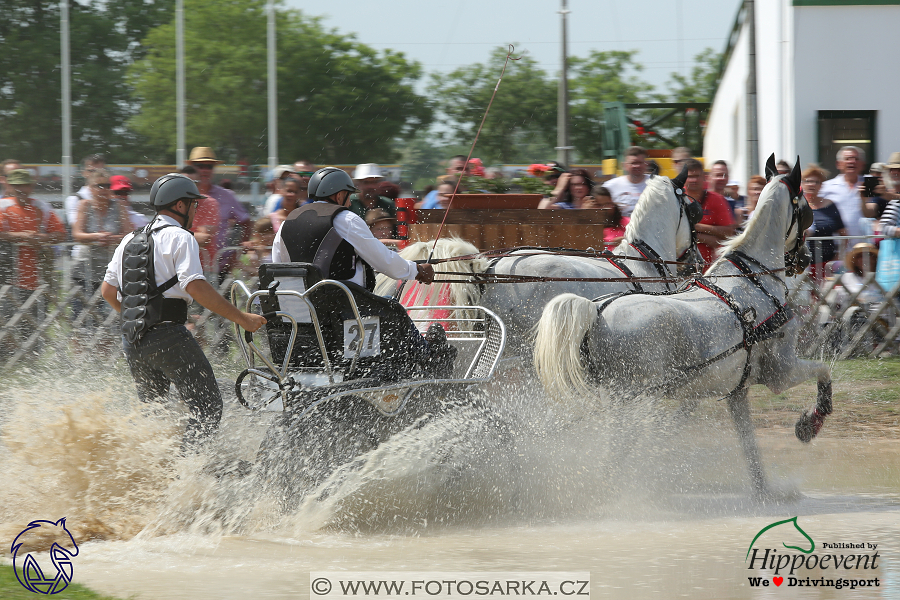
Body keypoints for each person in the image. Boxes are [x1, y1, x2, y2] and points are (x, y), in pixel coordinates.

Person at [101, 173, 266, 450]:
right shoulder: (181, 237)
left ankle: (153, 471)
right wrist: (243, 318)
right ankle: (187, 473)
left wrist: (140, 320)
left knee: (154, 414)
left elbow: (108, 291)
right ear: (180, 205)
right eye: (194, 204)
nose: (196, 210)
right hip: (169, 335)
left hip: (132, 339)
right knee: (208, 406)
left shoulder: (130, 238)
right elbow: (196, 287)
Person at [271, 167, 453, 374]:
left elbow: (280, 269)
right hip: (342, 315)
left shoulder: (287, 224)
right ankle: (429, 357)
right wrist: (417, 270)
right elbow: (383, 260)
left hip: (298, 318)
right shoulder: (345, 220)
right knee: (393, 308)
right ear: (339, 195)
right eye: (348, 197)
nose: (349, 203)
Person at [0, 169, 66, 350]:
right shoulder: (2, 206)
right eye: (17, 185)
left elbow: (60, 234)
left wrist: (42, 238)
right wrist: (21, 235)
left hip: (37, 279)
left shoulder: (42, 207)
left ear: (31, 186)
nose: (21, 189)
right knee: (6, 325)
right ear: (10, 186)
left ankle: (32, 365)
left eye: (24, 185)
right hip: (7, 278)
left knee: (35, 329)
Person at [187, 146, 251, 283]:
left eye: (209, 166)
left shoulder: (226, 195)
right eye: (200, 166)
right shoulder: (181, 196)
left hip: (218, 267)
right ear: (192, 168)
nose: (205, 170)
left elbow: (246, 222)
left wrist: (236, 254)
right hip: (186, 266)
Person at [71, 170, 132, 310]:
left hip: (112, 269)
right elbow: (77, 234)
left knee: (114, 314)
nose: (104, 189)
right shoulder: (84, 205)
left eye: (106, 185)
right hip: (85, 268)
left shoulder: (119, 205)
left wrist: (111, 238)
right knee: (83, 315)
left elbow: (129, 234)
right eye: (99, 185)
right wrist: (97, 237)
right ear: (90, 188)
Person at [682, 158, 735, 265]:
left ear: (704, 177)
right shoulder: (676, 198)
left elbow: (729, 233)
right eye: (690, 176)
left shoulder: (717, 199)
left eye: (697, 176)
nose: (694, 180)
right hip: (681, 267)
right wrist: (707, 238)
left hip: (711, 270)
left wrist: (695, 227)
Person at [820, 146, 876, 238]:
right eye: (847, 159)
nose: (852, 162)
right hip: (838, 244)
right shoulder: (826, 187)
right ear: (838, 164)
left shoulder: (870, 184)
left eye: (856, 159)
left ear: (863, 164)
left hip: (865, 244)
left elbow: (876, 211)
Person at [802, 165, 846, 280]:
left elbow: (844, 234)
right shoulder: (796, 205)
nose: (812, 184)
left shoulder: (830, 205)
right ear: (802, 184)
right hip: (802, 264)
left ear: (821, 185)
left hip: (827, 264)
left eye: (816, 182)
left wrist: (838, 258)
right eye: (808, 181)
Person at [603, 146, 648, 217]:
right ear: (624, 165)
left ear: (646, 164)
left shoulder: (657, 184)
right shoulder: (610, 186)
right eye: (633, 163)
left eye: (640, 162)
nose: (637, 166)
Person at [589, 185, 629, 249]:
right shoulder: (586, 226)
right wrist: (584, 213)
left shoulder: (626, 222)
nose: (604, 208)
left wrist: (627, 241)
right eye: (599, 205)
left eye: (607, 204)